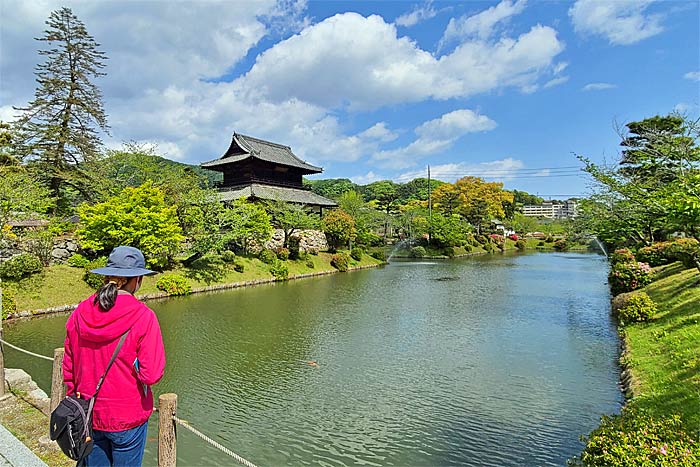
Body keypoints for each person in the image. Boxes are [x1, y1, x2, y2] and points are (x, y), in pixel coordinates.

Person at [62, 246, 166, 467]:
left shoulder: (80, 312)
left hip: (88, 411)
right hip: (128, 415)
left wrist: (76, 398)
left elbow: (68, 364)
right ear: (136, 280)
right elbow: (151, 374)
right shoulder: (143, 316)